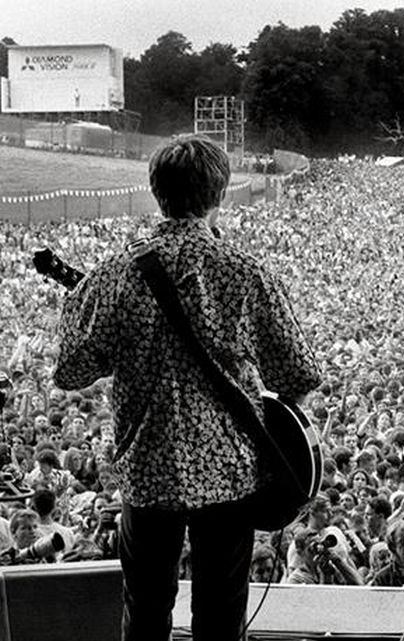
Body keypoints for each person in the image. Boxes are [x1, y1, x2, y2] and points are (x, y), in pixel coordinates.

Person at [53, 135, 322, 641]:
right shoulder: (246, 273)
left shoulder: (115, 275)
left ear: (156, 192)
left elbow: (70, 370)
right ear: (219, 193)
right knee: (221, 616)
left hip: (147, 469)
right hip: (229, 475)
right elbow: (298, 377)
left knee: (146, 609)